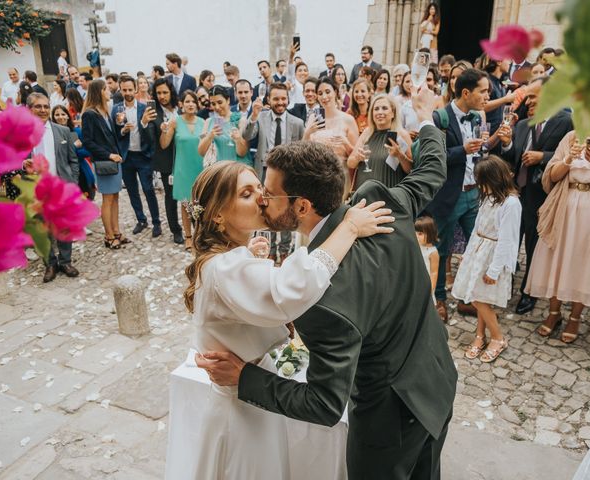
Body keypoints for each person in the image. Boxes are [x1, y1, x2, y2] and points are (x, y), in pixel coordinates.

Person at [198, 86, 457, 480]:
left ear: (301, 206)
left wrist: (244, 379)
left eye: (269, 193)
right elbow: (431, 172)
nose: (263, 201)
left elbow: (323, 404)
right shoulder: (376, 201)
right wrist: (427, 120)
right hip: (438, 379)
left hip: (388, 420)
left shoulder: (321, 300)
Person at [166, 159, 393, 479]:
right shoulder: (224, 268)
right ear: (217, 214)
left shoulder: (228, 261)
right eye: (247, 193)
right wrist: (350, 228)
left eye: (259, 187)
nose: (261, 197)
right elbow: (294, 288)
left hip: (252, 395)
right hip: (243, 412)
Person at [526, 119, 590, 343]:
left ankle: (575, 317)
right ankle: (554, 313)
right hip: (565, 204)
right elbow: (551, 176)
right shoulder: (573, 136)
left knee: (585, 263)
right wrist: (568, 159)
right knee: (557, 258)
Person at [497, 77, 573, 315]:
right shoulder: (522, 125)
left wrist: (543, 157)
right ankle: (503, 286)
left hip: (540, 195)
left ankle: (528, 292)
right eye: (527, 96)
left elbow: (571, 154)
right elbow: (510, 159)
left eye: (532, 96)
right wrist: (507, 144)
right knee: (509, 241)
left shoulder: (565, 121)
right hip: (514, 194)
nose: (527, 101)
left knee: (532, 245)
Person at [426, 68, 489, 322]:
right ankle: (439, 298)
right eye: (483, 91)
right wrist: (462, 149)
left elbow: (478, 154)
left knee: (477, 248)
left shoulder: (476, 118)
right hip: (448, 196)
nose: (487, 96)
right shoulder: (440, 117)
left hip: (473, 194)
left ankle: (466, 298)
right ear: (466, 92)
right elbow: (434, 155)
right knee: (441, 250)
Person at [452, 156, 521, 362]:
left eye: (483, 181)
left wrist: (494, 269)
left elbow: (507, 240)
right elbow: (477, 228)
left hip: (493, 255)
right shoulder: (489, 198)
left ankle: (498, 338)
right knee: (479, 296)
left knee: (478, 297)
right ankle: (480, 335)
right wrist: (468, 253)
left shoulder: (511, 203)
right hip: (478, 251)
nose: (480, 186)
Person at [243, 83, 305, 263]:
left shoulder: (297, 123)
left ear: (288, 99)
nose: (280, 102)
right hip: (263, 171)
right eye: (276, 98)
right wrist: (253, 116)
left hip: (287, 175)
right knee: (263, 208)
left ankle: (284, 249)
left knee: (287, 209)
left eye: (283, 98)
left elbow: (300, 149)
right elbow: (247, 136)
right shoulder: (260, 117)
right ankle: (266, 247)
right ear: (269, 100)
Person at [27, 93, 81, 282]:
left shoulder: (62, 131)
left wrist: (73, 182)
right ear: (29, 110)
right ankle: (50, 263)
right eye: (38, 107)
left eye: (45, 106)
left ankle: (65, 261)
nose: (43, 110)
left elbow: (73, 160)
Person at [112, 75, 162, 237]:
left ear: (135, 89)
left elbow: (151, 135)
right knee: (132, 190)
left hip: (143, 155)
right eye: (124, 89)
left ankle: (156, 222)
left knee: (148, 189)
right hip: (127, 157)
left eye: (129, 89)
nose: (127, 92)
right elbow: (115, 134)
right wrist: (123, 131)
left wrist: (143, 124)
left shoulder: (144, 108)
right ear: (120, 89)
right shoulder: (117, 109)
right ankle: (141, 219)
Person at [82, 79, 127, 250]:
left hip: (115, 161)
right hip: (104, 162)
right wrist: (109, 155)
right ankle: (108, 236)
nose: (109, 91)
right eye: (106, 88)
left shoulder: (106, 112)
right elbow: (87, 141)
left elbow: (111, 136)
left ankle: (116, 231)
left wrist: (122, 128)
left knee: (115, 198)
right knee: (107, 199)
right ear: (100, 91)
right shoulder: (89, 114)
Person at [140, 77, 184, 244]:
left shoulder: (180, 107)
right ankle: (176, 230)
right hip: (166, 160)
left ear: (171, 92)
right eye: (158, 93)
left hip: (185, 156)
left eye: (165, 92)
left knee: (190, 195)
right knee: (171, 196)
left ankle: (193, 225)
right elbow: (150, 139)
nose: (162, 96)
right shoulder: (153, 112)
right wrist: (144, 122)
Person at [160, 90, 205, 250]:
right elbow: (164, 144)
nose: (191, 104)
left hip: (200, 168)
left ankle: (200, 235)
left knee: (200, 204)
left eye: (193, 101)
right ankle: (188, 237)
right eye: (187, 101)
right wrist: (165, 129)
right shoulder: (175, 121)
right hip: (183, 168)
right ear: (181, 104)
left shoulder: (203, 122)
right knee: (186, 204)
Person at [348, 93, 413, 190]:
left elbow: (411, 169)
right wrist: (357, 158)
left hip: (390, 192)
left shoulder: (401, 134)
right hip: (364, 194)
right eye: (376, 109)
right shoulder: (367, 133)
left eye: (384, 108)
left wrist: (400, 155)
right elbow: (350, 163)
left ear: (393, 113)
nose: (379, 112)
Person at [303, 77, 359, 168]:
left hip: (340, 173)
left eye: (328, 92)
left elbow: (356, 157)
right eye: (320, 93)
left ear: (335, 92)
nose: (324, 97)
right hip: (317, 174)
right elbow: (304, 150)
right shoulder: (313, 117)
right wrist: (307, 133)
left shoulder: (348, 120)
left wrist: (345, 143)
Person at [51, 104, 96, 200]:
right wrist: (74, 147)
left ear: (68, 116)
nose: (60, 117)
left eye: (63, 114)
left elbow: (87, 151)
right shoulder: (51, 135)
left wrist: (72, 151)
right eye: (57, 115)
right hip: (60, 173)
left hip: (81, 171)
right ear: (53, 117)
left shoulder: (77, 132)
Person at [198, 85, 250, 166]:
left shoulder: (240, 120)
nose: (217, 107)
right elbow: (201, 152)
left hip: (236, 168)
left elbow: (242, 153)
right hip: (217, 169)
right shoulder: (208, 122)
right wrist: (210, 136)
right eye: (213, 104)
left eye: (220, 102)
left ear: (228, 100)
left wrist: (238, 139)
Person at [415, 215, 439, 303]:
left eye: (420, 234)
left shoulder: (432, 252)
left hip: (425, 284)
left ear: (430, 234)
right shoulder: (415, 246)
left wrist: (430, 290)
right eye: (415, 233)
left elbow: (434, 272)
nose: (416, 236)